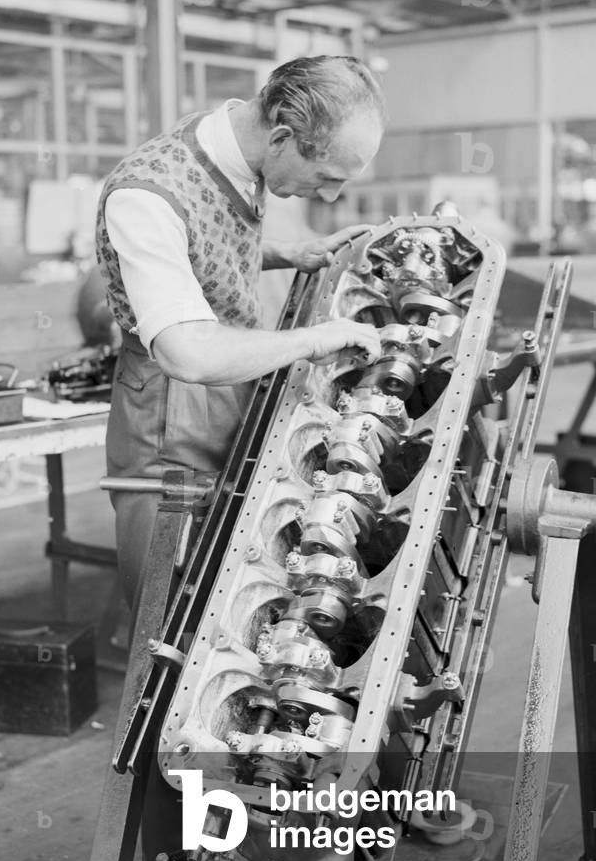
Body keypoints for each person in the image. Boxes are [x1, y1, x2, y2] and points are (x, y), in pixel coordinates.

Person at [96, 55, 386, 607]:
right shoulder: (147, 196)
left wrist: (286, 253)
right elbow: (188, 354)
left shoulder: (232, 150)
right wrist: (312, 339)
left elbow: (203, 251)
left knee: (235, 594)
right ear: (281, 135)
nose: (326, 197)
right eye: (325, 178)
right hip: (173, 420)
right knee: (171, 626)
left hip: (229, 387)